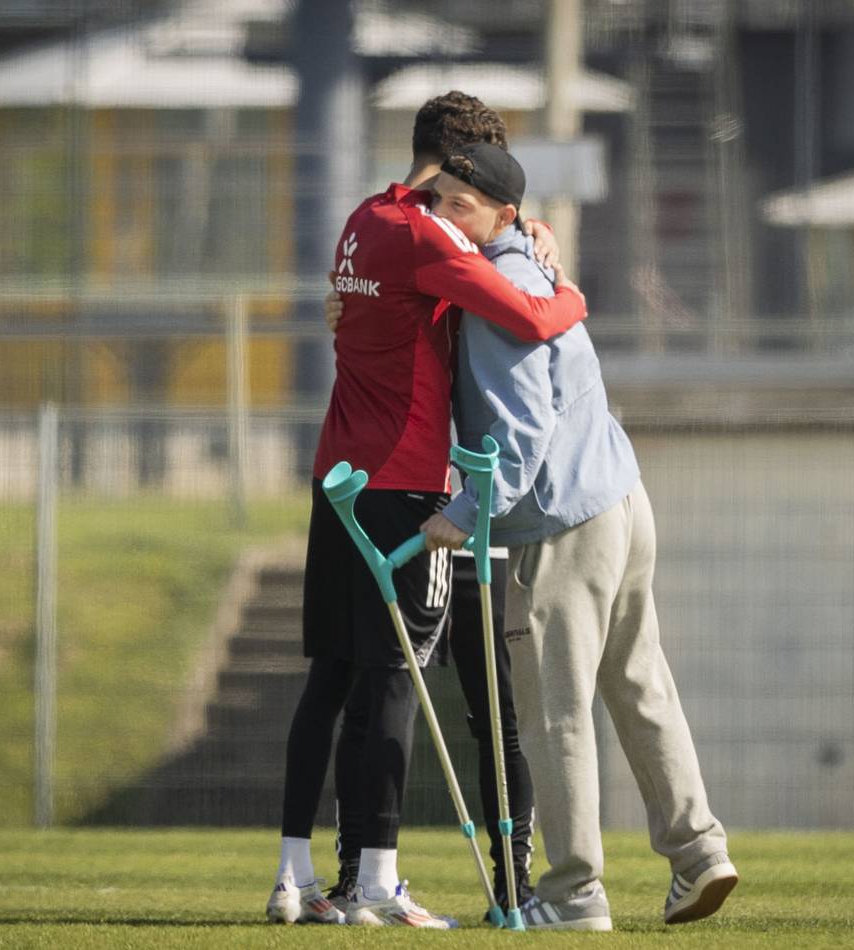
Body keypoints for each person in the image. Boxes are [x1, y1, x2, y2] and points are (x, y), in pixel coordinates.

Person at [266, 92, 584, 929]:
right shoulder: (426, 232)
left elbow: (373, 307)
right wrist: (571, 290)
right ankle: (380, 881)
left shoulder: (364, 218)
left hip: (338, 471)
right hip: (410, 482)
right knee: (402, 680)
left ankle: (298, 876)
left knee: (335, 678)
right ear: (457, 164)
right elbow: (530, 315)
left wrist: (528, 226)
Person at [420, 142, 739, 931]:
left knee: (555, 714)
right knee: (641, 685)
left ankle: (572, 895)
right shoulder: (530, 263)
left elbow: (523, 431)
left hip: (563, 523)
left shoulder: (495, 289)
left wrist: (462, 514)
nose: (443, 215)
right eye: (437, 200)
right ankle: (700, 855)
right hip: (621, 501)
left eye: (460, 204)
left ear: (503, 214)